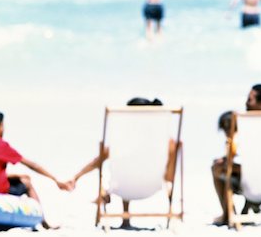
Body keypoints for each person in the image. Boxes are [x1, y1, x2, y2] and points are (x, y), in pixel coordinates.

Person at [67, 98, 178, 229]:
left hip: (124, 187)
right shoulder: (167, 141)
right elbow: (169, 177)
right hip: (152, 186)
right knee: (130, 169)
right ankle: (108, 196)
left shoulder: (124, 141)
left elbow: (98, 161)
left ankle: (110, 200)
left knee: (126, 171)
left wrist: (76, 177)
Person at [0, 109, 72, 229]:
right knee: (27, 183)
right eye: (2, 126)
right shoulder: (0, 145)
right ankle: (44, 223)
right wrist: (55, 180)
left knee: (22, 177)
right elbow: (32, 165)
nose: (4, 129)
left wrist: (17, 176)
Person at [211, 84, 261, 225]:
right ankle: (246, 208)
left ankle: (228, 215)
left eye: (249, 99)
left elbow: (252, 165)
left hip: (256, 180)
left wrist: (226, 163)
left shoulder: (250, 126)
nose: (246, 103)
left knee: (217, 167)